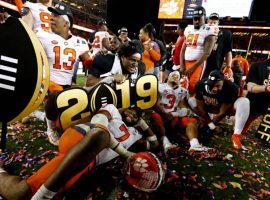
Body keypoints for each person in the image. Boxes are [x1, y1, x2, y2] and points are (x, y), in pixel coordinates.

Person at [150, 71, 209, 153]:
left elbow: (184, 109)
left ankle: (194, 145)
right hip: (161, 115)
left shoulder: (183, 91)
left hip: (174, 117)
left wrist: (173, 114)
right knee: (154, 116)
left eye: (177, 75)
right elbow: (154, 103)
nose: (175, 76)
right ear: (168, 76)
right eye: (173, 74)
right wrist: (164, 114)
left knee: (191, 121)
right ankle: (166, 144)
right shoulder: (159, 87)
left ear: (180, 79)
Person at [194, 70, 250, 150]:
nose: (214, 88)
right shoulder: (200, 85)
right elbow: (200, 107)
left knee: (244, 102)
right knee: (191, 101)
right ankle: (202, 121)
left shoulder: (231, 87)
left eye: (217, 85)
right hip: (210, 107)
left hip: (225, 109)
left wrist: (213, 124)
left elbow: (222, 113)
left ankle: (236, 135)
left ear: (223, 81)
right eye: (211, 85)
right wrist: (211, 125)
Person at [180, 6, 218, 95]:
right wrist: (182, 65)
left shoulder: (209, 30)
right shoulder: (188, 29)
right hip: (186, 62)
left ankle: (192, 105)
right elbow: (183, 49)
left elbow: (207, 53)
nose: (196, 21)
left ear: (204, 18)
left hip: (198, 63)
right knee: (183, 84)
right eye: (195, 19)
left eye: (199, 19)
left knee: (194, 85)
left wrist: (193, 67)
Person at [241, 58, 270, 133]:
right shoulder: (258, 66)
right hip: (256, 103)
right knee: (243, 125)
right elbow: (250, 87)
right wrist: (266, 88)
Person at [204, 12, 233, 77]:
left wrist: (228, 66)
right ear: (207, 23)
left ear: (218, 23)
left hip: (215, 68)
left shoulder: (225, 34)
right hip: (202, 65)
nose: (212, 24)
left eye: (214, 23)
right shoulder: (203, 33)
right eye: (210, 23)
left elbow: (228, 52)